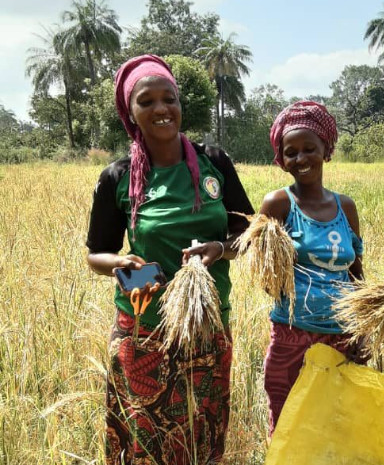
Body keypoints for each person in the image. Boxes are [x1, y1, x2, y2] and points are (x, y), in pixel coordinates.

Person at [86, 54, 254, 465]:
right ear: (131, 112)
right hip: (143, 329)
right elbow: (95, 255)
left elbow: (247, 232)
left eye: (169, 98)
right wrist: (120, 264)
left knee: (202, 433)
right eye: (147, 101)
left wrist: (220, 249)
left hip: (206, 324)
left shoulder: (214, 160)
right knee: (146, 438)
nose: (161, 109)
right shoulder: (118, 177)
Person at [260, 101, 369, 435]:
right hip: (292, 336)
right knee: (289, 429)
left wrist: (363, 328)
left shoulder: (345, 207)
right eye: (290, 152)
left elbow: (356, 273)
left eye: (309, 148)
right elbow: (267, 277)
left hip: (341, 337)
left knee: (337, 427)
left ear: (326, 149)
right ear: (282, 159)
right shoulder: (277, 203)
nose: (301, 159)